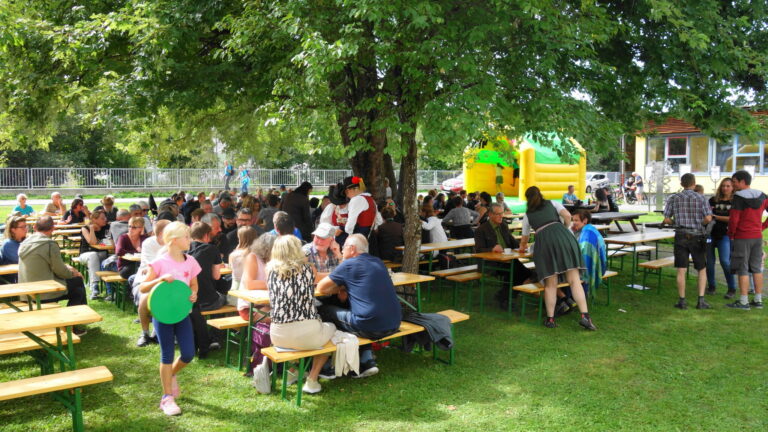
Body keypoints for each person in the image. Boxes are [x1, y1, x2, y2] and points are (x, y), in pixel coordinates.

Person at [317, 234, 401, 378]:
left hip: (370, 327)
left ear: (352, 249)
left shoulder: (349, 264)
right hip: (394, 323)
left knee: (323, 310)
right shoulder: (378, 261)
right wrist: (344, 287)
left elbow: (321, 287)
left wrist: (341, 288)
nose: (342, 250)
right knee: (358, 311)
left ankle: (325, 363)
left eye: (344, 247)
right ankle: (366, 359)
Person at [139, 222, 200, 416]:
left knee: (188, 354)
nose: (190, 240)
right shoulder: (159, 263)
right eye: (186, 237)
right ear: (174, 240)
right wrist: (159, 279)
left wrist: (193, 293)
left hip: (182, 314)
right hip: (162, 314)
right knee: (167, 355)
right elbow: (143, 287)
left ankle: (171, 373)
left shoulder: (190, 261)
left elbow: (193, 284)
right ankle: (167, 398)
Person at [518, 187, 596, 330]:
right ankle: (585, 316)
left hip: (545, 243)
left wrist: (522, 247)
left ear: (527, 199)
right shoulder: (552, 203)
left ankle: (550, 319)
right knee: (574, 280)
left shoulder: (528, 215)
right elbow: (567, 216)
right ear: (540, 195)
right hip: (565, 238)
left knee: (550, 284)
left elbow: (524, 238)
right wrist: (564, 228)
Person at [267, 235, 336, 393]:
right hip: (306, 334)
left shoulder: (270, 272)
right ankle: (312, 379)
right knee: (333, 331)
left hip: (277, 335)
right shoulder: (307, 269)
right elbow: (328, 279)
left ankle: (293, 372)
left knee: (301, 335)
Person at [18, 216, 88, 332]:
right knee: (78, 288)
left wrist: (69, 270)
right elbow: (60, 270)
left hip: (26, 292)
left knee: (76, 283)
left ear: (35, 227)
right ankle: (71, 325)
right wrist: (73, 273)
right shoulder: (49, 244)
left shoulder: (24, 243)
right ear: (53, 229)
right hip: (44, 291)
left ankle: (79, 318)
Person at [663, 173, 713, 310]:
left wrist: (676, 223)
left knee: (681, 269)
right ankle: (701, 300)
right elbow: (708, 218)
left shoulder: (673, 198)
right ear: (694, 184)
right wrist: (700, 224)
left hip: (680, 235)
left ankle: (682, 300)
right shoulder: (701, 198)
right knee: (701, 268)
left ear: (681, 184)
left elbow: (666, 219)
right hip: (697, 236)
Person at [474, 203, 533, 310]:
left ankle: (504, 296)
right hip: (490, 263)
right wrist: (492, 249)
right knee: (515, 271)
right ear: (490, 214)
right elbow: (478, 250)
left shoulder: (503, 226)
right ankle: (506, 299)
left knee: (526, 273)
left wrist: (521, 245)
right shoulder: (481, 230)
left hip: (507, 260)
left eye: (502, 213)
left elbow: (512, 241)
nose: (501, 216)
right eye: (498, 214)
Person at [726, 170, 768, 310]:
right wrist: (762, 226)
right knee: (757, 268)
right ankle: (758, 300)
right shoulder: (762, 196)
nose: (733, 185)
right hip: (757, 237)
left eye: (734, 182)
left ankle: (743, 301)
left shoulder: (738, 197)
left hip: (742, 237)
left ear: (743, 181)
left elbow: (734, 219)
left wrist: (731, 234)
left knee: (742, 268)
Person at [133, 219, 170, 347]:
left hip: (166, 282)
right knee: (146, 298)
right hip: (145, 281)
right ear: (161, 234)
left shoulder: (174, 244)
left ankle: (157, 331)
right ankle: (145, 333)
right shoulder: (148, 243)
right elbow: (151, 266)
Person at [707, 178, 736, 297]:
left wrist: (716, 217)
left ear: (733, 187)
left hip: (725, 235)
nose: (725, 188)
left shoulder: (735, 202)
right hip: (710, 234)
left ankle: (732, 288)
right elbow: (707, 214)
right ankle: (711, 286)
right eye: (723, 185)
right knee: (709, 262)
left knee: (725, 261)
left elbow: (733, 219)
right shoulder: (713, 200)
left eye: (728, 186)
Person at [570, 210, 607, 300]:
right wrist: (574, 232)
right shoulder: (589, 229)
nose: (573, 223)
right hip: (600, 264)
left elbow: (585, 259)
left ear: (585, 221)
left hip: (592, 267)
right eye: (573, 220)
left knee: (568, 272)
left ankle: (573, 297)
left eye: (576, 220)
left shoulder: (587, 234)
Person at [77, 209, 109, 300]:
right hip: (85, 255)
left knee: (111, 258)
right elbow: (93, 242)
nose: (105, 220)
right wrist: (91, 229)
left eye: (105, 218)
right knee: (93, 255)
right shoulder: (85, 228)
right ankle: (95, 286)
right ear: (94, 219)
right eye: (102, 218)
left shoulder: (107, 227)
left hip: (102, 254)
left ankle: (111, 290)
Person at [228, 226, 260, 292]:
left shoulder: (234, 255)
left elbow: (230, 268)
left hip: (236, 286)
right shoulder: (259, 254)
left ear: (240, 238)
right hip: (255, 287)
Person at [0, 216, 27, 282]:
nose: (26, 229)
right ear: (13, 230)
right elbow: (24, 260)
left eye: (26, 226)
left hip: (23, 276)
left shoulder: (24, 241)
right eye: (22, 227)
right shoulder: (8, 244)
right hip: (12, 281)